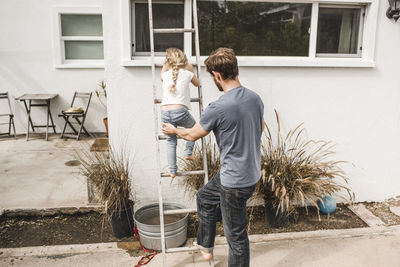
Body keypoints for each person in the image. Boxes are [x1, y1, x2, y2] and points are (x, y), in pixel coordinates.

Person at [162, 47, 265, 267]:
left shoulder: (217, 107)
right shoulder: (255, 99)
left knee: (236, 237)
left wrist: (173, 130)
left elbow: (191, 135)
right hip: (249, 174)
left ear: (217, 76)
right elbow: (261, 126)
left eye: (212, 77)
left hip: (234, 183)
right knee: (205, 197)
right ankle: (205, 245)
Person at [160, 48, 200, 178]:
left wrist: (166, 65)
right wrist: (189, 67)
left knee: (170, 141)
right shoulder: (187, 73)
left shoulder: (165, 75)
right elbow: (198, 84)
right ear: (184, 61)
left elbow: (162, 73)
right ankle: (188, 152)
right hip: (180, 111)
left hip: (165, 112)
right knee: (194, 128)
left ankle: (172, 170)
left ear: (168, 63)